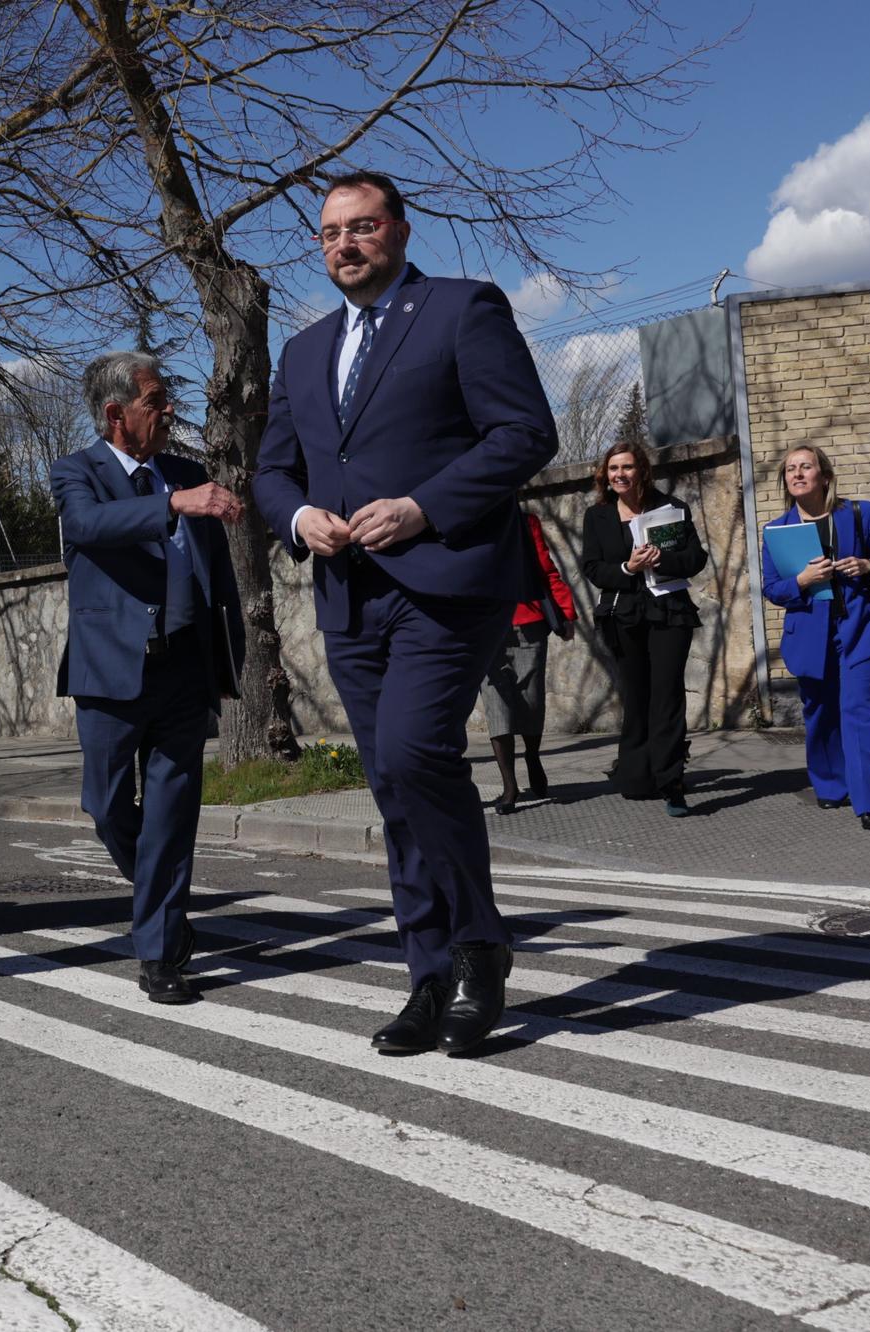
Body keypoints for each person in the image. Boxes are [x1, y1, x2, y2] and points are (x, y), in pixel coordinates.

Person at [253, 170, 558, 1055]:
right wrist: (300, 517)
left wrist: (425, 505)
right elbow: (275, 470)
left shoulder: (464, 311)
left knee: (414, 751)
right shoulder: (303, 350)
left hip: (445, 579)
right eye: (328, 233)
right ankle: (428, 976)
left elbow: (526, 432)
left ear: (399, 229)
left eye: (362, 226)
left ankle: (478, 947)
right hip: (348, 593)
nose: (343, 245)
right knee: (392, 787)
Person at [52, 351, 247, 1005]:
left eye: (168, 397)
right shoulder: (76, 474)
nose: (169, 410)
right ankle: (160, 905)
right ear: (115, 414)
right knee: (107, 808)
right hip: (109, 675)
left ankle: (161, 951)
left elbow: (221, 579)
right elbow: (86, 526)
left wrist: (227, 661)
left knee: (170, 817)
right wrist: (172, 504)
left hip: (185, 671)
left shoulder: (190, 473)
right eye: (155, 400)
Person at [760, 444, 870, 831]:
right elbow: (773, 588)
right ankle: (831, 784)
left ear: (824, 475)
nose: (797, 474)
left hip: (860, 629)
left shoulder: (859, 513)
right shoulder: (776, 529)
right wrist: (802, 581)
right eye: (790, 469)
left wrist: (868, 564)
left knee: (860, 711)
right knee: (819, 713)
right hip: (808, 632)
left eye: (806, 466)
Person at [579, 443, 708, 816]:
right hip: (623, 615)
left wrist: (662, 559)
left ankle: (672, 782)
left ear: (642, 471)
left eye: (628, 467)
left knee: (666, 696)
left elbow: (695, 558)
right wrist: (627, 569)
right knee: (636, 696)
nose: (620, 474)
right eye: (613, 468)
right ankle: (637, 775)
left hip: (669, 612)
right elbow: (592, 568)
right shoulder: (597, 515)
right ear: (606, 474)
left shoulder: (671, 510)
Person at [483, 511, 578, 815]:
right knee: (496, 704)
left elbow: (545, 569)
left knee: (530, 700)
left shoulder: (526, 522)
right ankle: (509, 786)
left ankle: (533, 756)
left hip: (529, 622)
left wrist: (566, 612)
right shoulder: (460, 521)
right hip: (483, 627)